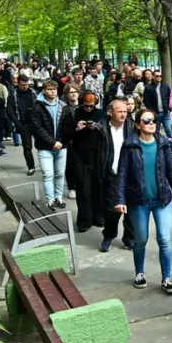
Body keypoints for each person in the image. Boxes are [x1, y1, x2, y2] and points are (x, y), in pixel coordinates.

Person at [114, 109, 172, 294]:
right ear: (138, 124)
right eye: (146, 120)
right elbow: (122, 174)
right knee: (140, 239)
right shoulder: (130, 145)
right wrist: (120, 199)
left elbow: (171, 171)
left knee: (164, 239)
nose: (151, 123)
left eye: (153, 120)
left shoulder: (162, 143)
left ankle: (166, 278)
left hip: (161, 199)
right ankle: (139, 273)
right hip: (138, 201)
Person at [60, 92, 107, 232]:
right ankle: (84, 220)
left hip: (98, 155)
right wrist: (76, 129)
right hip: (80, 155)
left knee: (99, 186)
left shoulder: (101, 114)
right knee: (83, 187)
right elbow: (64, 133)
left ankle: (98, 216)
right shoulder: (74, 114)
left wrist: (96, 128)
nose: (88, 109)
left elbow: (107, 132)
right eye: (86, 106)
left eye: (91, 106)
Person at [99, 99, 135, 252]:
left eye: (125, 112)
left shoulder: (132, 126)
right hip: (111, 174)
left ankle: (129, 238)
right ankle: (108, 235)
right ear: (110, 112)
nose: (123, 115)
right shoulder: (101, 128)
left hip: (131, 174)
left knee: (131, 209)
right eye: (119, 111)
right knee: (112, 210)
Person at [29, 81, 68, 208]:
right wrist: (52, 142)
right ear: (44, 90)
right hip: (44, 146)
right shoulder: (37, 106)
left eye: (54, 89)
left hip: (61, 146)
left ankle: (59, 197)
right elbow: (38, 127)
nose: (53, 91)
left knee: (60, 174)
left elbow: (66, 126)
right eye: (50, 89)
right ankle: (50, 199)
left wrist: (61, 142)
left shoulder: (63, 105)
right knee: (48, 174)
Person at [13, 75, 38, 175]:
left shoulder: (33, 93)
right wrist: (18, 124)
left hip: (35, 123)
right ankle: (31, 166)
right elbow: (10, 111)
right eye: (23, 85)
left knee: (42, 144)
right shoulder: (14, 95)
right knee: (27, 147)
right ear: (18, 84)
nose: (25, 87)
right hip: (23, 124)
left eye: (27, 84)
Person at [143, 71, 172, 136]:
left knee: (169, 130)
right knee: (155, 131)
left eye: (160, 76)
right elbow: (146, 100)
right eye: (157, 76)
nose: (159, 77)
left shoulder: (165, 86)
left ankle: (171, 143)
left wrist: (169, 107)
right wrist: (152, 110)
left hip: (165, 112)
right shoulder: (148, 87)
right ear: (153, 76)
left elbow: (170, 97)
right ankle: (157, 142)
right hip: (155, 113)